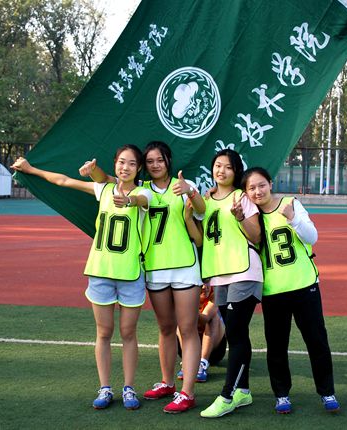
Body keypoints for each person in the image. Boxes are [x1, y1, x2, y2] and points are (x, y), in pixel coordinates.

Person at [11, 145, 152, 411]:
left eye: (132, 164)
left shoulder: (144, 192)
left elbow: (141, 201)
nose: (126, 168)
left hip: (131, 273)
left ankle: (129, 387)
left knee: (128, 332)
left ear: (139, 168)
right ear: (115, 164)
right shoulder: (104, 189)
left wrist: (128, 201)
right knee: (104, 332)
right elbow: (64, 181)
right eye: (122, 162)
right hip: (100, 271)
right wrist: (31, 169)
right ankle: (105, 387)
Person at [82, 141, 205, 413]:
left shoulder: (182, 186)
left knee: (187, 328)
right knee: (165, 328)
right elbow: (111, 180)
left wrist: (190, 190)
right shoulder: (142, 188)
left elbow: (201, 211)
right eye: (149, 161)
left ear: (168, 160)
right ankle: (167, 382)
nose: (155, 165)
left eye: (159, 160)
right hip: (154, 268)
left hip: (184, 266)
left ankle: (187, 392)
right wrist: (94, 171)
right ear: (143, 166)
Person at [241, 166, 340, 415]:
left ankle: (327, 392)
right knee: (276, 346)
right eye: (251, 188)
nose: (257, 191)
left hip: (304, 285)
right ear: (246, 192)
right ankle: (281, 394)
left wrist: (293, 218)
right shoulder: (250, 216)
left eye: (261, 185)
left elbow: (312, 237)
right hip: (273, 291)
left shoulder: (290, 203)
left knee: (317, 341)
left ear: (270, 183)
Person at [199, 149, 263, 419]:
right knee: (238, 334)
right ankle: (243, 391)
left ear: (236, 171)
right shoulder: (206, 200)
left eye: (227, 166)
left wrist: (239, 217)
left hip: (244, 272)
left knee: (235, 334)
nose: (221, 171)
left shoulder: (242, 198)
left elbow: (256, 236)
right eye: (217, 165)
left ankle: (227, 395)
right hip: (221, 275)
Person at [176, 202, 227, 383]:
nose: (204, 286)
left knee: (213, 319)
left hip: (215, 348)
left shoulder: (215, 284)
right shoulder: (186, 282)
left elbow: (204, 319)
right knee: (180, 320)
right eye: (202, 282)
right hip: (187, 341)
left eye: (206, 281)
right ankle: (187, 361)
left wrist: (189, 312)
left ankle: (203, 363)